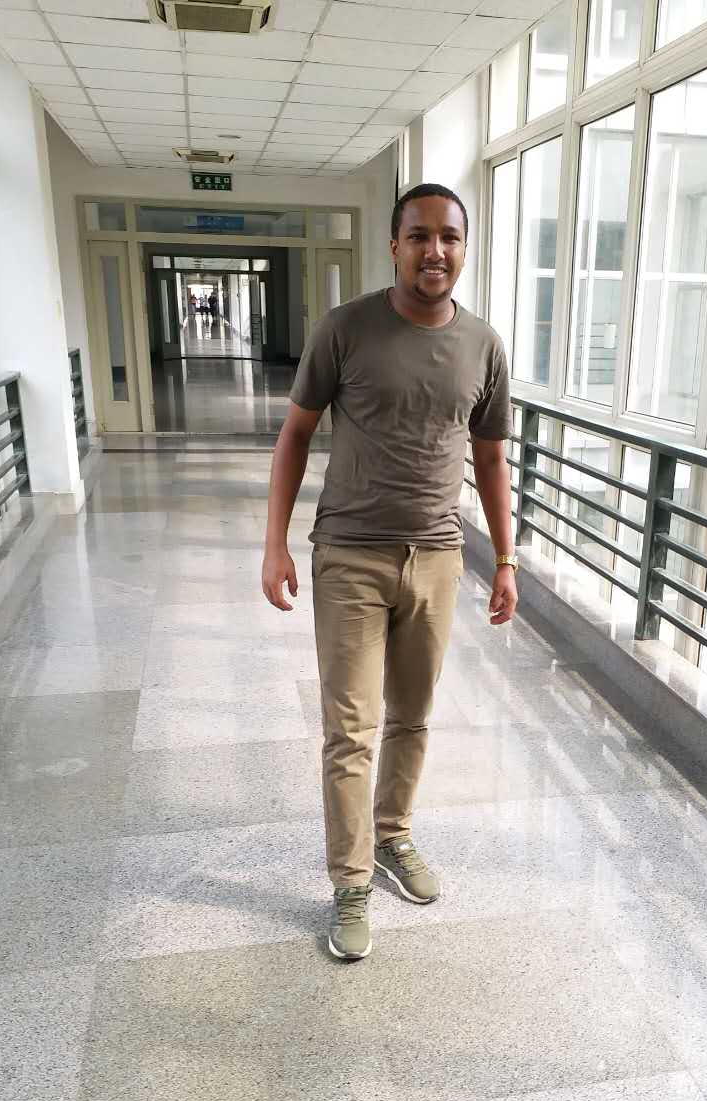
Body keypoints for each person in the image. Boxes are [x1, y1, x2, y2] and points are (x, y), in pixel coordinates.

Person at [262, 183, 519, 961]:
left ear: (463, 248)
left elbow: (490, 459)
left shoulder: (484, 345)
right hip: (350, 556)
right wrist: (275, 544)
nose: (435, 251)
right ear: (394, 246)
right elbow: (295, 435)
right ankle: (349, 882)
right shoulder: (345, 330)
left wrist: (506, 559)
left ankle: (392, 835)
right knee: (351, 730)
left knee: (412, 717)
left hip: (438, 557)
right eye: (419, 236)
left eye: (449, 237)